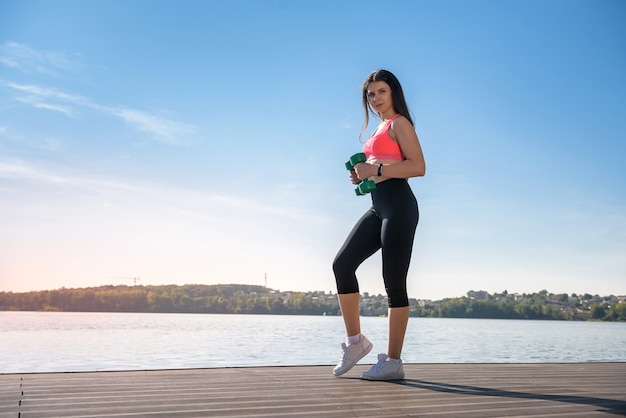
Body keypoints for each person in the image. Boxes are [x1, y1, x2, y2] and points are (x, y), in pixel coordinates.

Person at [332, 69, 425, 381]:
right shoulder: (378, 131)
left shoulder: (400, 123)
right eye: (371, 94)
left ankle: (393, 362)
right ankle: (355, 343)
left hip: (400, 206)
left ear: (393, 92)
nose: (376, 99)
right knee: (342, 264)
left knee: (393, 282)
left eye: (381, 92)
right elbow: (380, 170)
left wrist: (377, 168)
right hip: (378, 206)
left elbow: (418, 166)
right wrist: (362, 175)